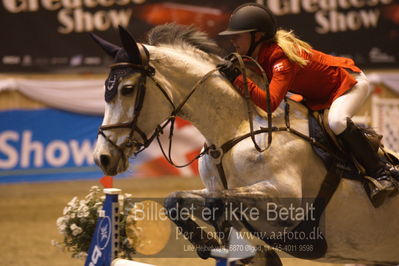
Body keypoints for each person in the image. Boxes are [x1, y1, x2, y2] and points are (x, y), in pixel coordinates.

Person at [217, 3, 398, 204]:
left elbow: (270, 103)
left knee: (337, 122)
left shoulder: (280, 56)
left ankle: (382, 173)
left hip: (349, 82)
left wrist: (237, 79)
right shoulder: (258, 55)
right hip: (319, 95)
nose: (232, 40)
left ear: (257, 36)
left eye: (238, 35)